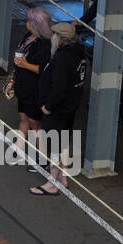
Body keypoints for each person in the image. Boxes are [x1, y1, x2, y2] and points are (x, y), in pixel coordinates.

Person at [29, 21, 88, 196]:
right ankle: (62, 177)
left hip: (57, 110)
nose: (52, 38)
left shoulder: (63, 58)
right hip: (69, 109)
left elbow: (59, 87)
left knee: (54, 145)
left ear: (61, 39)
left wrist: (48, 106)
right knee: (63, 144)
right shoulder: (79, 56)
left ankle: (52, 183)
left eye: (54, 35)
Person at [12, 7, 53, 169]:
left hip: (35, 89)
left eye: (29, 21)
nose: (26, 23)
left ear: (36, 25)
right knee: (23, 117)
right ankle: (19, 148)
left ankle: (42, 158)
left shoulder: (45, 44)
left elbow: (43, 69)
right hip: (22, 85)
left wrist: (25, 64)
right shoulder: (28, 36)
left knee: (35, 123)